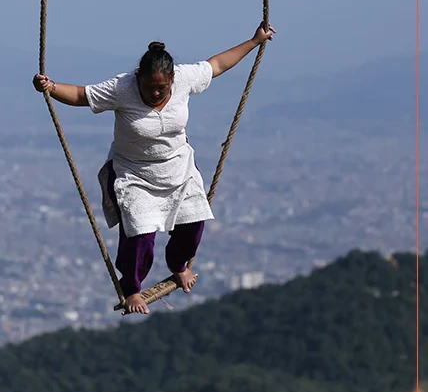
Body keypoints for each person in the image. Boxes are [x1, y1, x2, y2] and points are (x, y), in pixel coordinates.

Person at [33, 23, 276, 314]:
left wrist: (254, 41)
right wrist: (51, 87)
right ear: (139, 79)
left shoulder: (185, 78)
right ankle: (132, 287)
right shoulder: (122, 88)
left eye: (163, 87)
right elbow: (82, 96)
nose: (157, 93)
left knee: (194, 224)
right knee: (140, 234)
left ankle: (179, 264)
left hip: (178, 168)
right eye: (150, 88)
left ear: (173, 80)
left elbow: (217, 64)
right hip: (134, 173)